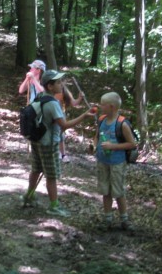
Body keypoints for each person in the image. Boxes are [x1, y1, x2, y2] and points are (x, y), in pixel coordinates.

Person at [21, 70, 95, 216]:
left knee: (36, 169)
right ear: (50, 86)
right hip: (48, 143)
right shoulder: (53, 103)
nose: (62, 84)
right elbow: (64, 125)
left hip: (37, 140)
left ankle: (29, 196)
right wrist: (84, 115)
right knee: (51, 175)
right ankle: (54, 206)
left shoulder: (40, 96)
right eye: (59, 82)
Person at [94, 92, 138, 231]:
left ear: (112, 107)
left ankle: (124, 219)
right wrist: (94, 146)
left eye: (103, 104)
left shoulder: (122, 124)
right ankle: (108, 219)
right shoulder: (101, 120)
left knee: (118, 191)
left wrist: (113, 146)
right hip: (103, 161)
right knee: (105, 190)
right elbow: (97, 136)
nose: (100, 106)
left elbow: (132, 144)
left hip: (117, 162)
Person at [56, 83, 82, 163]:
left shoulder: (64, 90)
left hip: (61, 115)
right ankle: (56, 152)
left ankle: (63, 154)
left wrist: (80, 98)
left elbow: (74, 103)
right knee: (54, 134)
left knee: (61, 134)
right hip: (51, 115)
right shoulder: (49, 90)